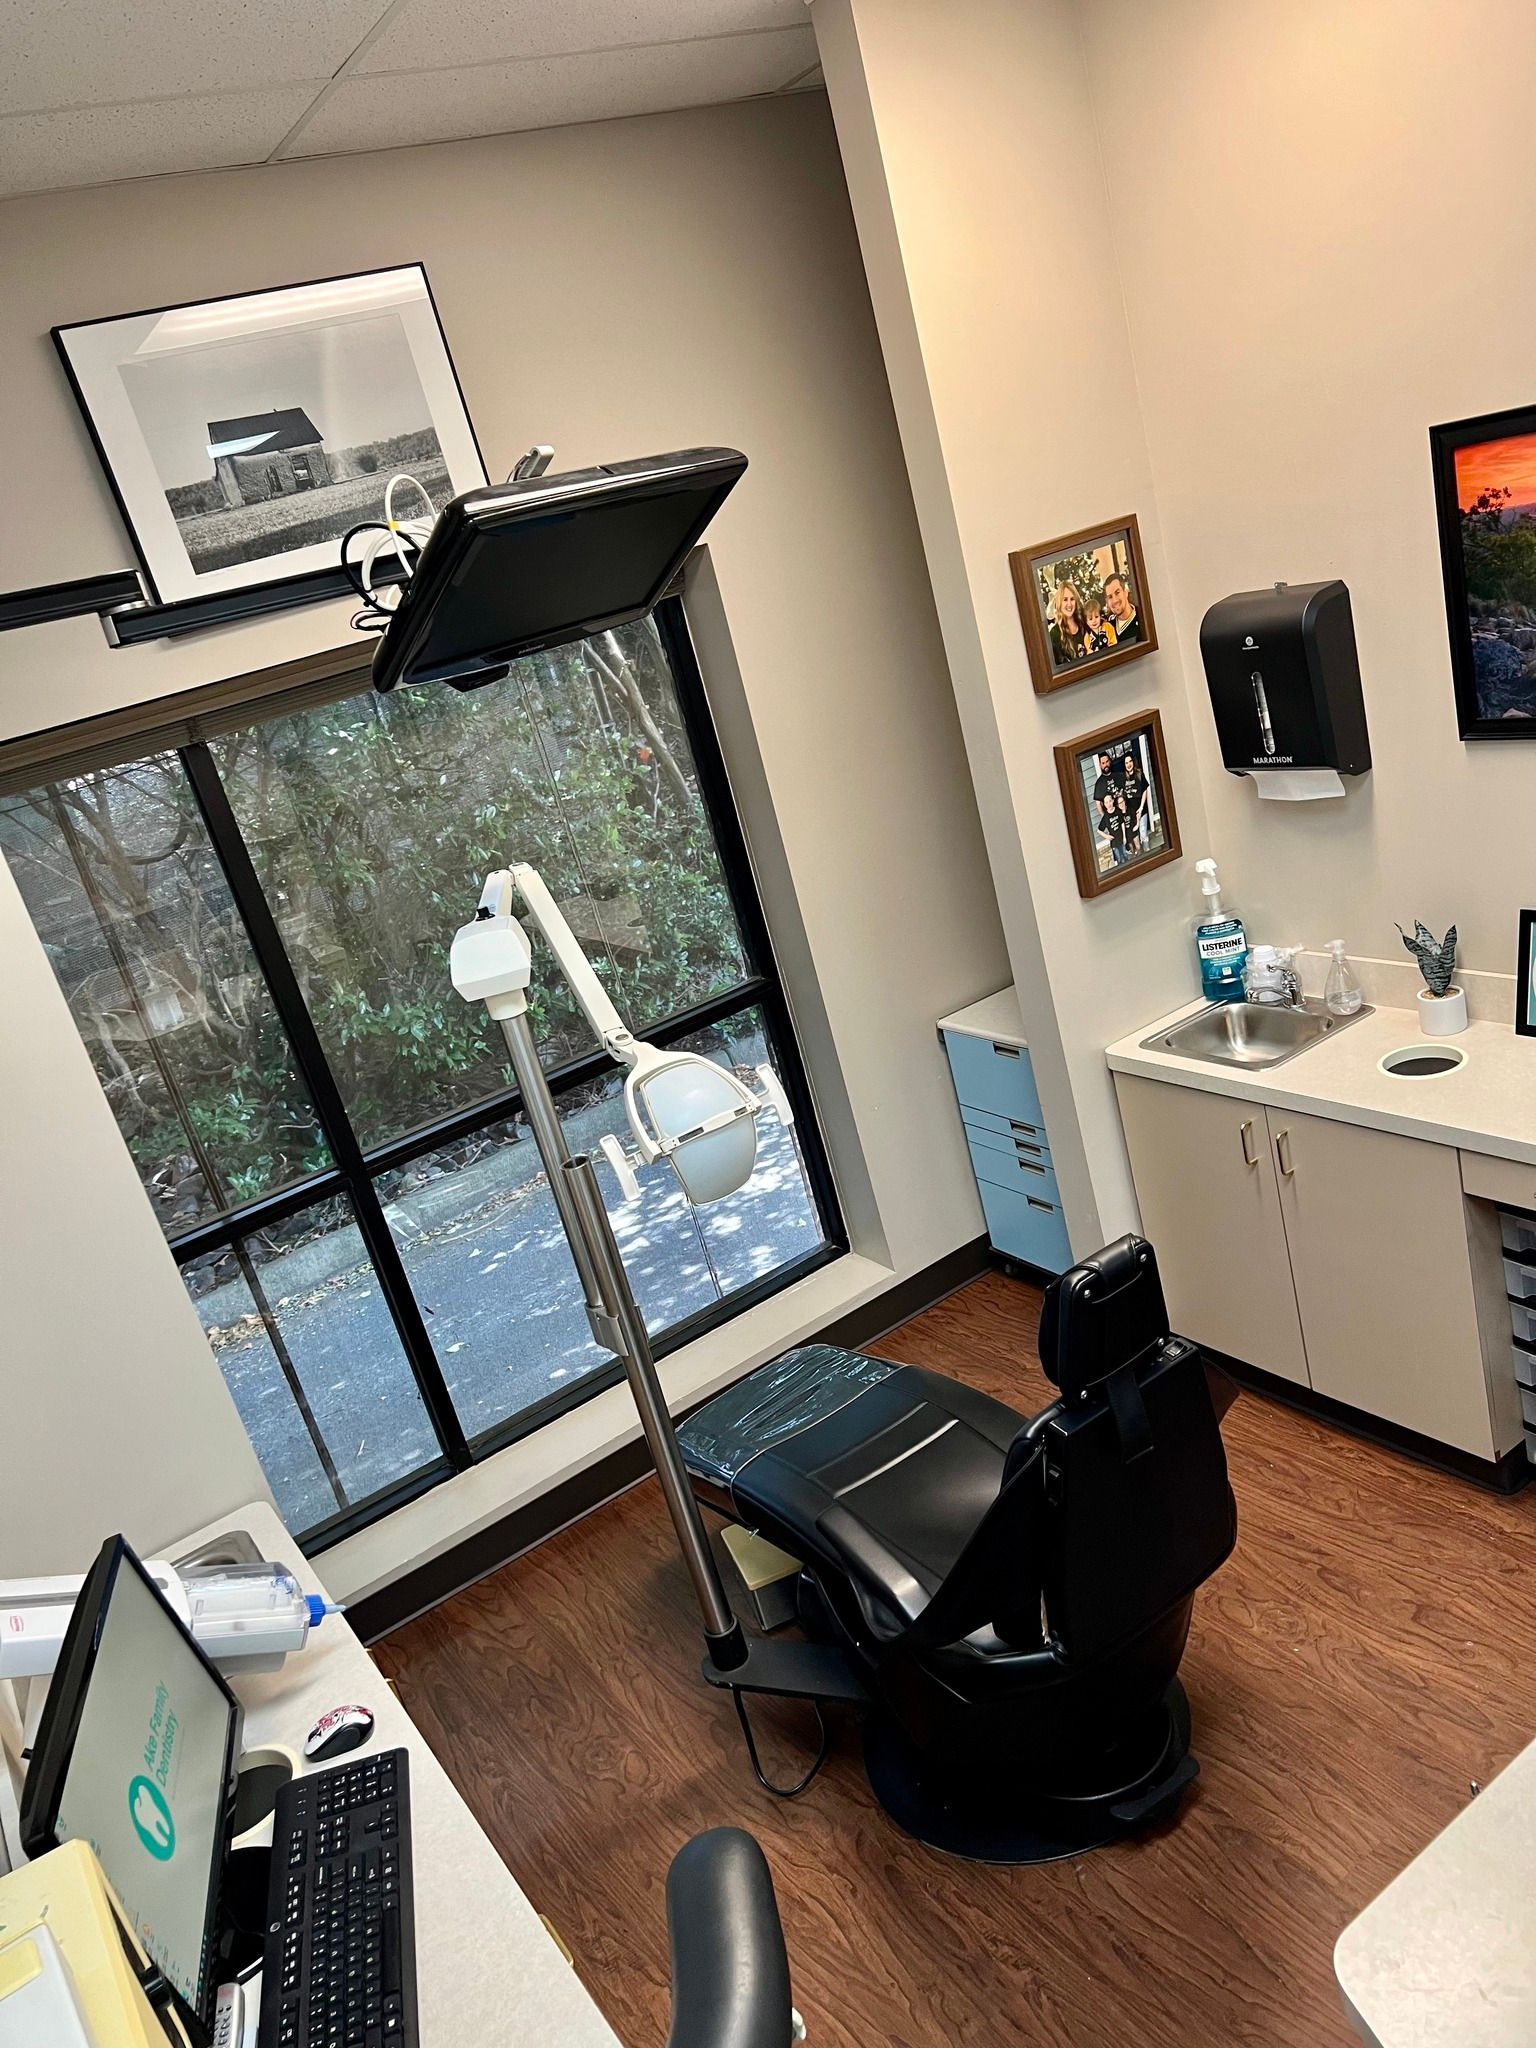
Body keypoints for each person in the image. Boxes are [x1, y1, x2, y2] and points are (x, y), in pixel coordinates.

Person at [1048, 580, 1089, 666]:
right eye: (1065, 600)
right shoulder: (1054, 634)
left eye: (1072, 599)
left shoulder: (1086, 623)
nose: (1069, 604)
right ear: (1059, 603)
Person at [1121, 753, 1152, 851]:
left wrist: (1141, 808)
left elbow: (1144, 791)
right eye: (1126, 763)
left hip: (1140, 810)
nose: (1128, 764)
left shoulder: (1139, 774)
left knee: (1143, 834)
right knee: (1134, 836)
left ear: (1133, 762)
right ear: (1124, 765)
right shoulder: (1123, 778)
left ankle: (1148, 852)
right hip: (1130, 813)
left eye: (1130, 761)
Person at [1103, 572, 1142, 645]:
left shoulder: (1142, 619)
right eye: (1110, 597)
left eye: (1117, 593)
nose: (1115, 601)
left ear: (1126, 592)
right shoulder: (1107, 627)